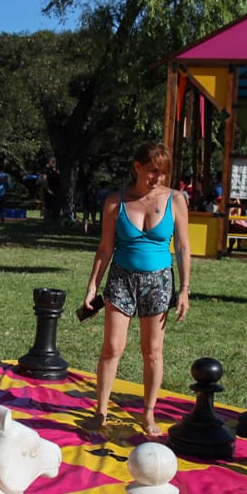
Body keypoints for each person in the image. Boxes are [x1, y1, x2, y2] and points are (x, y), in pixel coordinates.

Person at [84, 140, 191, 438]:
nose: (157, 178)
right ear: (137, 167)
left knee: (152, 351)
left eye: (163, 173)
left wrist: (185, 289)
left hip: (158, 280)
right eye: (152, 171)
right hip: (121, 278)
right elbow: (105, 247)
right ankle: (101, 411)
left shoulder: (176, 200)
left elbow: (183, 247)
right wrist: (93, 285)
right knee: (112, 347)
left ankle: (148, 412)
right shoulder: (115, 201)